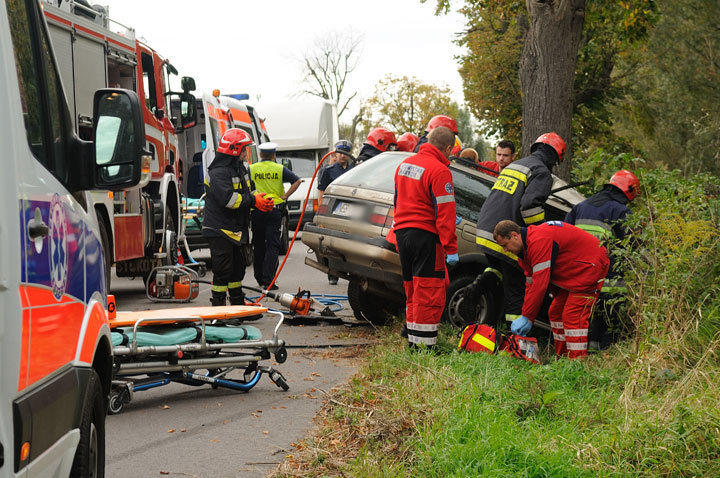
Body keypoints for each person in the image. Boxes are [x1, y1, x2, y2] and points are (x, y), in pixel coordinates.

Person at [470, 132, 566, 327]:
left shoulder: (516, 165)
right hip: (506, 236)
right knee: (516, 289)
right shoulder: (541, 172)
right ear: (554, 157)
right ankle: (514, 337)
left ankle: (477, 287)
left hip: (485, 230)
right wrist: (541, 231)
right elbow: (529, 207)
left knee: (497, 270)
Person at [493, 220, 609, 358]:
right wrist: (527, 315)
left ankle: (577, 362)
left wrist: (528, 317)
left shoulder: (538, 241)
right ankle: (563, 357)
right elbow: (531, 284)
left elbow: (540, 285)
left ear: (514, 235)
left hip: (589, 267)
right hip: (576, 271)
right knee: (555, 312)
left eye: (505, 245)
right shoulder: (525, 252)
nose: (505, 250)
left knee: (572, 315)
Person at [392, 126, 458, 349]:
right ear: (448, 148)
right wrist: (451, 248)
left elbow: (397, 200)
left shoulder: (404, 165)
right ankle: (425, 347)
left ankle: (413, 340)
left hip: (402, 233)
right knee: (428, 291)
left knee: (411, 288)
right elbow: (446, 213)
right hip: (426, 235)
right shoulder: (440, 171)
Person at [565, 169, 640, 348]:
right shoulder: (621, 211)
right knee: (609, 317)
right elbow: (633, 245)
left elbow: (564, 233)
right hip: (608, 275)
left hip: (578, 274)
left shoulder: (581, 206)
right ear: (628, 191)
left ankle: (584, 348)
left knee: (581, 315)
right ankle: (605, 350)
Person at [202, 128, 274, 306]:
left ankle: (237, 307)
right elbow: (229, 200)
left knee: (237, 270)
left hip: (234, 228)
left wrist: (261, 200)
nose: (245, 153)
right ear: (234, 150)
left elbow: (249, 191)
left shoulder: (241, 168)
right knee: (222, 271)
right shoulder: (217, 173)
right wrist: (253, 201)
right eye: (243, 150)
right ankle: (218, 312)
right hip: (219, 229)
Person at [249, 142, 302, 290]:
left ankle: (259, 277)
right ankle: (268, 280)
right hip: (274, 209)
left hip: (257, 209)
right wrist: (285, 196)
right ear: (274, 155)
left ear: (260, 155)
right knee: (273, 245)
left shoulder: (251, 169)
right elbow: (297, 181)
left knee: (258, 244)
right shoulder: (279, 168)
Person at [316, 140, 355, 285]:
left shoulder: (355, 169)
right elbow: (322, 192)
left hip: (350, 212)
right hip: (333, 211)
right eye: (340, 153)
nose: (343, 156)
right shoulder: (329, 170)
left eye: (346, 153)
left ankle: (349, 272)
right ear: (335, 153)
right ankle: (333, 274)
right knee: (332, 244)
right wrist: (321, 213)